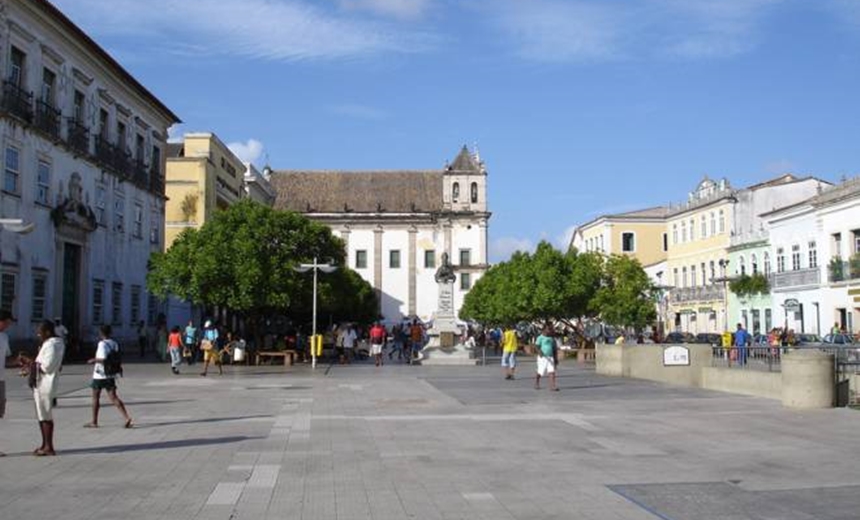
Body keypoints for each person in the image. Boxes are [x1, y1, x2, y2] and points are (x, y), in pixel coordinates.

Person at [20, 320, 65, 456]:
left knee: (45, 415)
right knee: (42, 415)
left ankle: (49, 447)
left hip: (45, 384)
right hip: (42, 383)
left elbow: (47, 366)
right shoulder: (52, 344)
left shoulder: (52, 345)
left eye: (40, 332)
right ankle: (44, 444)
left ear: (48, 332)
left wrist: (29, 361)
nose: (38, 334)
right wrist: (30, 367)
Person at [84, 325, 132, 429]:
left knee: (95, 397)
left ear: (101, 333)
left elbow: (102, 359)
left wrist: (93, 360)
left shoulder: (102, 344)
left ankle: (94, 421)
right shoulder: (114, 343)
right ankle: (126, 417)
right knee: (114, 397)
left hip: (100, 374)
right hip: (111, 374)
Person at [0, 310, 13, 456]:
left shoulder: (4, 337)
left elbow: (7, 359)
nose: (9, 325)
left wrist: (19, 361)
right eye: (7, 322)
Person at [534, 327, 559, 391]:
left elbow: (554, 349)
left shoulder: (552, 339)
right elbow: (537, 346)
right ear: (544, 330)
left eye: (550, 330)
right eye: (548, 329)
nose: (550, 331)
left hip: (550, 357)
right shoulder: (540, 338)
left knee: (552, 371)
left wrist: (556, 358)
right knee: (540, 372)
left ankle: (552, 386)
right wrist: (540, 352)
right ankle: (537, 382)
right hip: (542, 358)